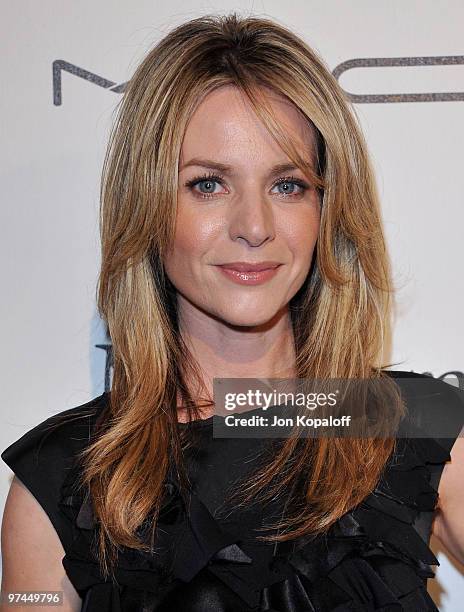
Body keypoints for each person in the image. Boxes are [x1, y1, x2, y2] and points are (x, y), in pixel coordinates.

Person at [1, 12, 463, 612]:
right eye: (209, 184)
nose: (254, 228)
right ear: (147, 203)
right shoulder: (65, 478)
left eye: (289, 185)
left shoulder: (409, 423)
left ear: (328, 209)